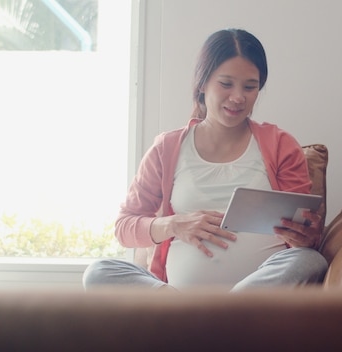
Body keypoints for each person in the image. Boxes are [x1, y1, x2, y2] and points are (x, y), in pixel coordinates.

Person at [82, 28, 328, 291]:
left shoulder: (280, 145)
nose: (238, 97)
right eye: (226, 84)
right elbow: (125, 227)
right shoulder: (167, 148)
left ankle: (211, 318)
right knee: (99, 272)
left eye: (250, 87)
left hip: (255, 297)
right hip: (180, 296)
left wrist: (306, 238)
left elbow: (302, 234)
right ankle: (204, 317)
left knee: (309, 260)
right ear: (202, 83)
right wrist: (173, 224)